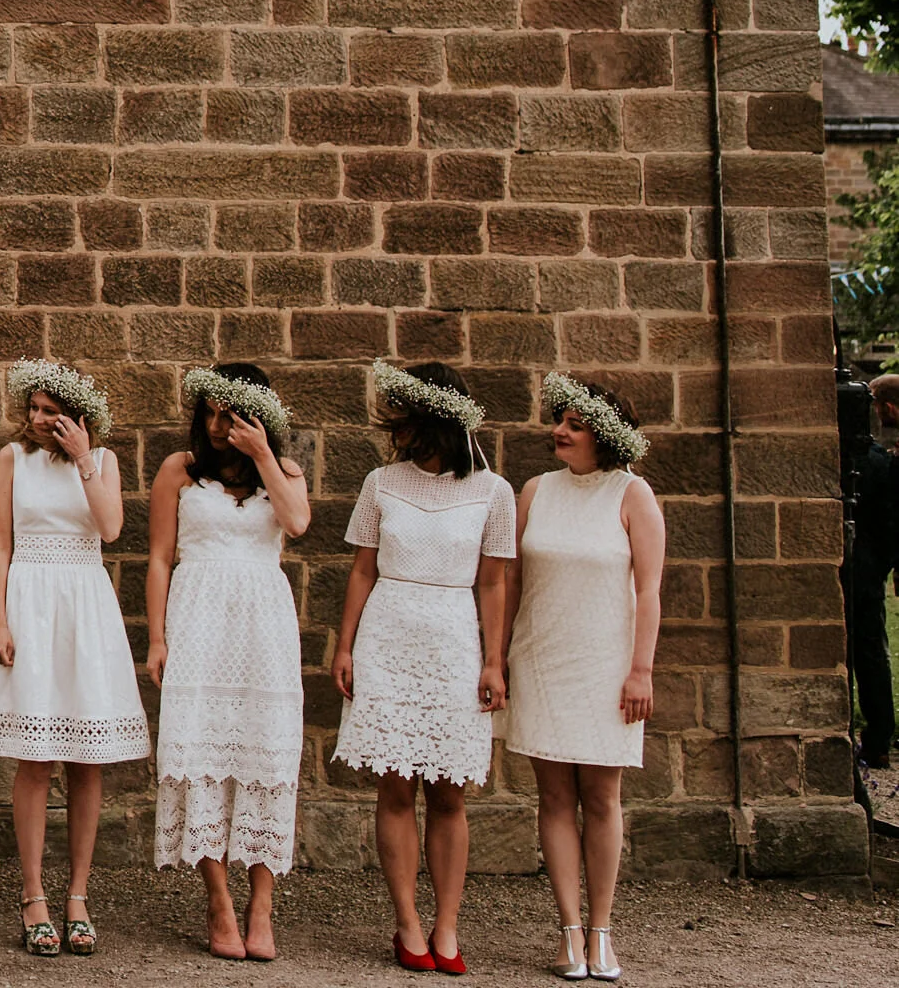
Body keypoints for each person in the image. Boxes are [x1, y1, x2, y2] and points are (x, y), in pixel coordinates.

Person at [333, 361, 514, 977]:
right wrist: (346, 645)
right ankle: (407, 919)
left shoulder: (495, 491)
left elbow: (493, 582)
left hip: (453, 640)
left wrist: (493, 659)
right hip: (388, 632)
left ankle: (448, 924)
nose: (397, 430)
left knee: (449, 793)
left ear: (433, 419)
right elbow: (362, 569)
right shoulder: (381, 482)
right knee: (394, 786)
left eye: (406, 418)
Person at [0, 359, 149, 958]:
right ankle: (33, 896)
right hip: (31, 601)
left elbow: (110, 529)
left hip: (84, 604)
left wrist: (82, 460)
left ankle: (77, 894)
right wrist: (0, 620)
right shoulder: (11, 459)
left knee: (87, 759)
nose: (39, 419)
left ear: (80, 415)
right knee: (36, 756)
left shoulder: (102, 462)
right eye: (34, 409)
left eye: (52, 411)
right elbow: (0, 543)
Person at [145, 363, 311, 963]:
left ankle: (261, 905)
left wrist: (264, 455)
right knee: (201, 756)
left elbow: (296, 522)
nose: (218, 425)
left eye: (230, 413)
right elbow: (160, 558)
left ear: (256, 415)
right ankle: (217, 900)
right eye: (210, 412)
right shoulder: (179, 471)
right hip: (199, 621)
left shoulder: (283, 473)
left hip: (263, 626)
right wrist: (158, 638)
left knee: (266, 753)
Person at [503, 376, 665, 984]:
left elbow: (648, 590)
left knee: (601, 798)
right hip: (543, 656)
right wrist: (500, 656)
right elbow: (510, 581)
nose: (558, 431)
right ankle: (568, 927)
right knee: (552, 797)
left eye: (573, 424)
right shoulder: (535, 491)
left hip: (606, 664)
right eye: (559, 420)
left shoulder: (633, 494)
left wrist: (641, 669)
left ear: (604, 433)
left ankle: (602, 929)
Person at [854, 372, 899, 771]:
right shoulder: (882, 461)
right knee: (872, 651)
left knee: (866, 651)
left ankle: (878, 735)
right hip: (872, 565)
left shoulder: (872, 462)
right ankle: (879, 736)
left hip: (863, 563)